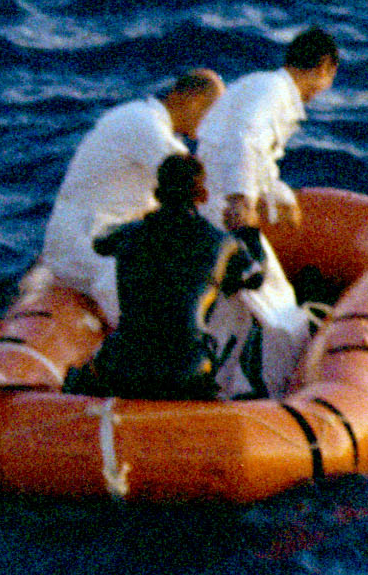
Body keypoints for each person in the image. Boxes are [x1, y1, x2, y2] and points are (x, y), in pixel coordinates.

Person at [194, 28, 338, 396]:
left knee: (232, 313)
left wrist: (280, 198)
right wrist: (242, 201)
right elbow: (246, 140)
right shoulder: (273, 93)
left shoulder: (259, 86)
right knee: (277, 310)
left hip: (209, 207)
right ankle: (275, 394)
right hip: (224, 214)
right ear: (325, 68)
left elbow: (257, 158)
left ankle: (225, 388)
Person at [38, 65, 223, 307]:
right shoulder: (146, 126)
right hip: (87, 244)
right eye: (210, 113)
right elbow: (197, 183)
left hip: (87, 236)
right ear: (189, 100)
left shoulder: (136, 115)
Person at [86, 150, 235, 401]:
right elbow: (256, 277)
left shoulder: (130, 234)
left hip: (124, 366)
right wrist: (248, 233)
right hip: (186, 369)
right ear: (203, 195)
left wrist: (134, 222)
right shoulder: (221, 242)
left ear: (157, 193)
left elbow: (100, 242)